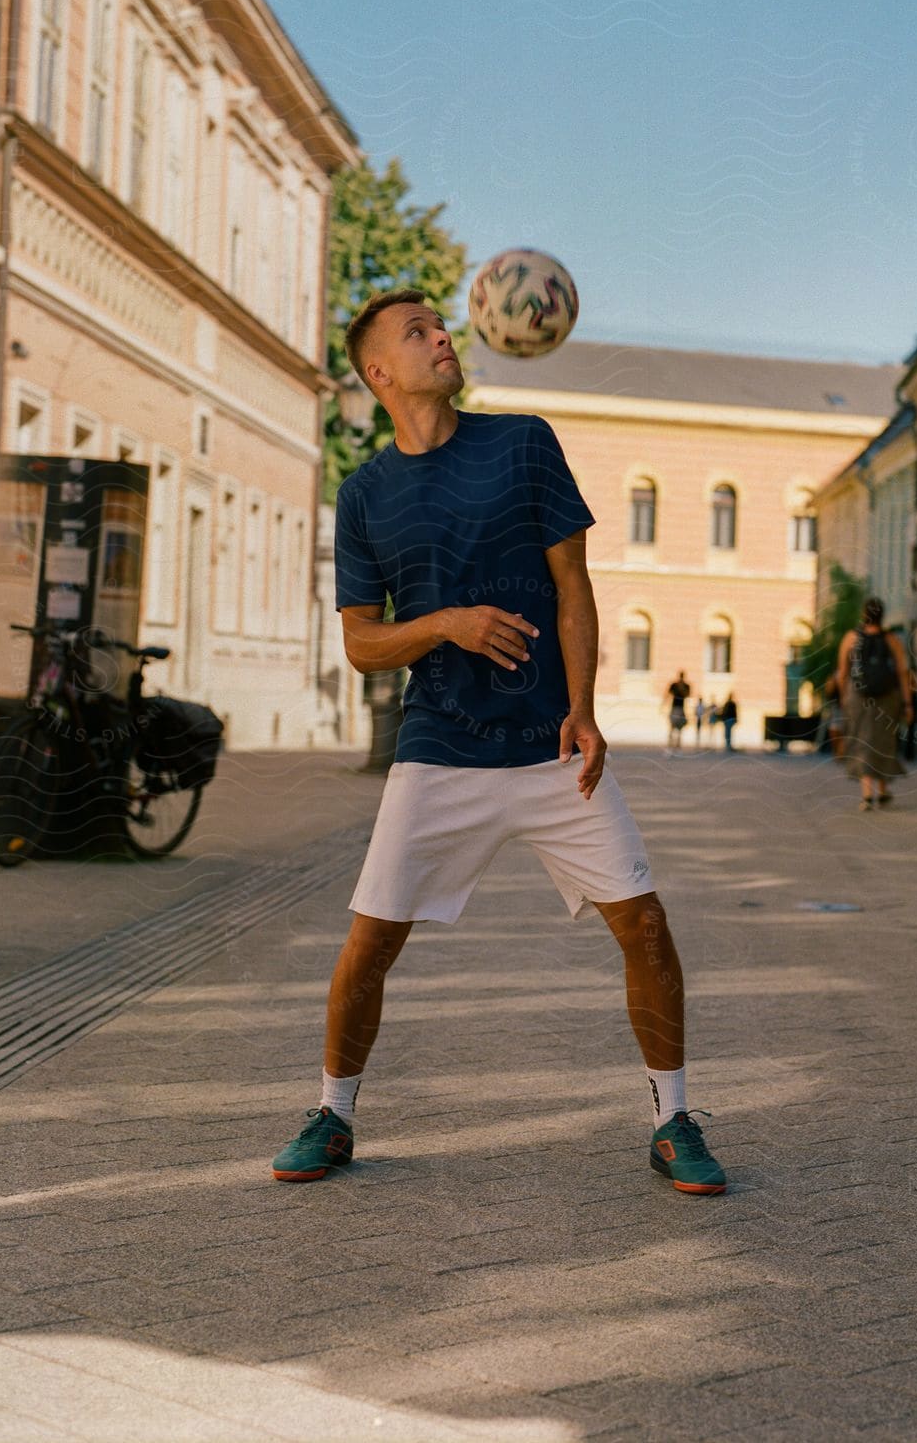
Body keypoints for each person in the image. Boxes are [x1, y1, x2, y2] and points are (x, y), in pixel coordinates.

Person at [270, 289, 725, 1195]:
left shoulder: (522, 442)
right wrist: (446, 625)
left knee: (643, 921)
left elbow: (573, 586)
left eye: (441, 324)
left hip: (552, 743)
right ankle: (333, 1114)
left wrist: (586, 709)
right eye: (417, 332)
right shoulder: (363, 496)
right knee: (372, 940)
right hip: (440, 747)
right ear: (379, 372)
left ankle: (673, 1118)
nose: (442, 336)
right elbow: (362, 644)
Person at [836, 597, 914, 811]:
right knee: (883, 742)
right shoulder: (891, 640)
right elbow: (902, 672)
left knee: (862, 741)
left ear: (864, 614)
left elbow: (842, 672)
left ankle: (867, 794)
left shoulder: (851, 638)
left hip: (858, 696)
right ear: (882, 615)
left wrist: (844, 697)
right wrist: (908, 704)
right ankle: (883, 790)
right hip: (887, 697)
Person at [664, 671, 690, 753]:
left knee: (679, 729)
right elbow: (668, 694)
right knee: (672, 728)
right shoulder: (674, 685)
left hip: (681, 709)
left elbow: (687, 695)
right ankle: (670, 747)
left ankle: (677, 748)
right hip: (675, 708)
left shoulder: (686, 686)